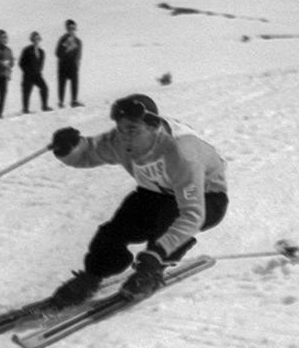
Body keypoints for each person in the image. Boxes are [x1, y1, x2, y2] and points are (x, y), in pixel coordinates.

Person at [46, 94, 228, 307]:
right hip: (158, 192)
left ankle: (151, 271)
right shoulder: (121, 141)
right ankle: (92, 276)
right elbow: (89, 152)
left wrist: (156, 254)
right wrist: (68, 148)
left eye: (132, 129)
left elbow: (192, 214)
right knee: (114, 230)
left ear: (153, 126)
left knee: (169, 220)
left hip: (207, 198)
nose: (125, 137)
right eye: (121, 129)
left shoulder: (182, 152)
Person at [19, 31, 52, 113]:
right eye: (34, 39)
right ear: (32, 40)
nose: (36, 41)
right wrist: (27, 71)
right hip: (28, 75)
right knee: (27, 92)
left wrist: (39, 71)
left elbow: (41, 63)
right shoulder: (27, 50)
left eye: (37, 39)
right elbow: (21, 63)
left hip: (37, 75)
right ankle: (25, 109)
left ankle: (44, 106)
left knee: (44, 88)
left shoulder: (41, 52)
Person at [55, 19, 83, 108]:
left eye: (74, 28)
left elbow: (79, 54)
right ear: (67, 29)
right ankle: (61, 102)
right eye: (70, 28)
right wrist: (66, 45)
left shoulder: (78, 41)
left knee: (74, 82)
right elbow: (57, 53)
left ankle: (74, 101)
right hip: (63, 64)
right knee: (62, 83)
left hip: (73, 65)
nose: (72, 30)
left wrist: (77, 63)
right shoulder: (63, 39)